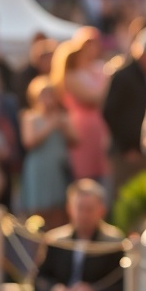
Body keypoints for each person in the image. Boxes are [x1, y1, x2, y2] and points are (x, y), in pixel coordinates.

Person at [32, 179, 125, 291]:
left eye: (89, 209)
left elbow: (120, 281)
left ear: (101, 210)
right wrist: (55, 290)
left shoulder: (114, 242)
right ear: (69, 208)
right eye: (79, 208)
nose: (83, 215)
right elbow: (40, 278)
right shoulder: (56, 240)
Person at [102, 26, 146, 194]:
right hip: (126, 154)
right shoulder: (124, 76)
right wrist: (127, 147)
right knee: (124, 196)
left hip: (140, 150)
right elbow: (110, 113)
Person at [51, 36, 110, 185]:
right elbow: (93, 98)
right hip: (82, 126)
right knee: (85, 169)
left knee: (99, 167)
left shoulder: (88, 72)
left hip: (96, 124)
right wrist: (109, 82)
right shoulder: (70, 77)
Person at [20, 76, 77, 230]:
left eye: (50, 94)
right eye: (43, 95)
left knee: (59, 208)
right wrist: (51, 125)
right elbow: (29, 141)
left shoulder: (62, 117)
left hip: (58, 169)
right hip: (39, 169)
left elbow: (75, 140)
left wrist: (64, 126)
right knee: (38, 209)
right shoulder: (30, 117)